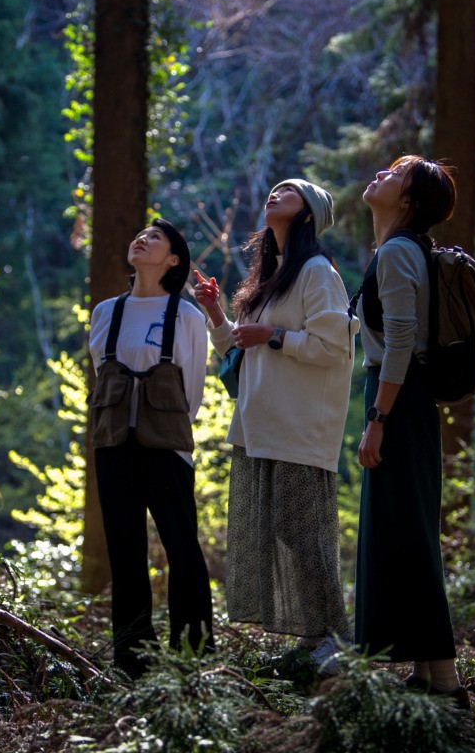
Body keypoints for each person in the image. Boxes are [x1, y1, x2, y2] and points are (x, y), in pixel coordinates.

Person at [193, 179, 354, 674]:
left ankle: (334, 640)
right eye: (275, 188)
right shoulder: (272, 276)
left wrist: (275, 334)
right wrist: (216, 312)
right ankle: (311, 636)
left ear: (310, 213)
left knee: (304, 527)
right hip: (262, 423)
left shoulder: (316, 272)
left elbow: (335, 347)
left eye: (290, 191)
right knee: (286, 525)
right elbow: (237, 353)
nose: (275, 192)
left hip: (300, 424)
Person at [354, 155, 469, 708]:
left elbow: (401, 344)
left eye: (394, 176)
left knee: (411, 538)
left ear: (407, 202)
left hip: (399, 403)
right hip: (402, 402)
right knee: (404, 534)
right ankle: (429, 678)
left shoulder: (399, 253)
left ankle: (446, 682)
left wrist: (377, 421)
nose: (380, 175)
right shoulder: (396, 251)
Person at [88, 219, 214, 679]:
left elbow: (192, 393)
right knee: (125, 553)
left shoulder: (186, 316)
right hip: (113, 447)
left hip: (167, 449)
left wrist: (169, 435)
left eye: (155, 237)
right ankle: (132, 663)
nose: (141, 238)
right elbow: (105, 376)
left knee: (182, 550)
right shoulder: (105, 312)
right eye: (138, 233)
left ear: (174, 259)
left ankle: (192, 659)